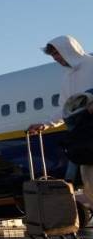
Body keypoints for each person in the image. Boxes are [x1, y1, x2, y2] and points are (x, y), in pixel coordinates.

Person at [28, 36, 93, 206]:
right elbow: (65, 108)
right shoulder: (67, 78)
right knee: (89, 184)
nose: (56, 58)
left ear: (69, 48)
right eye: (53, 55)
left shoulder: (91, 65)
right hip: (83, 137)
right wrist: (45, 124)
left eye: (57, 53)